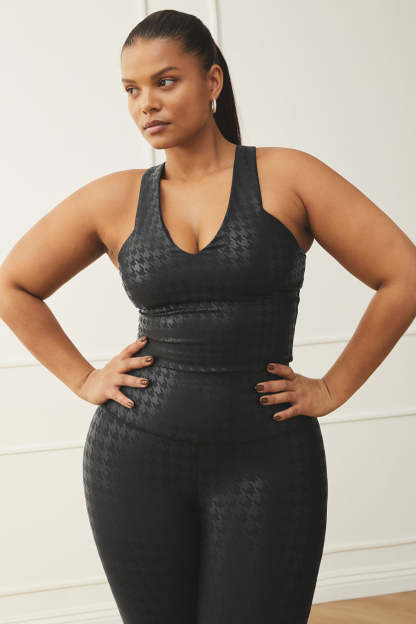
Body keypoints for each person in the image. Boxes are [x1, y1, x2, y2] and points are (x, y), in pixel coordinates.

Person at [1, 8, 415, 624]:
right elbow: (13, 285)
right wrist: (84, 378)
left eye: (165, 81)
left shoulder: (287, 176)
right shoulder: (115, 198)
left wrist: (333, 387)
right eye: (131, 89)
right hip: (134, 459)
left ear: (213, 81)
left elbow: (404, 274)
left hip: (267, 459)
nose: (146, 103)